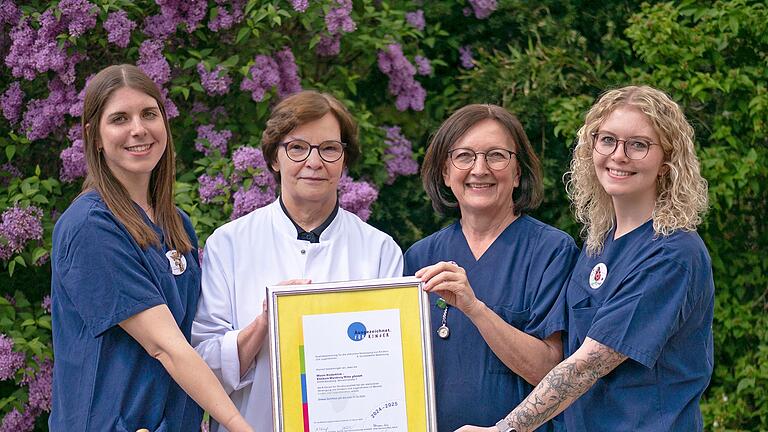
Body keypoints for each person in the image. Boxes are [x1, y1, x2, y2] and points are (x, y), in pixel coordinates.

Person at [459, 86, 714, 432]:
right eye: (607, 140)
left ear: (667, 162)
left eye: (638, 145)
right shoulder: (599, 242)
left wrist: (505, 429)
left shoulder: (671, 253)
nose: (618, 155)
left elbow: (586, 365)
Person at [49, 64, 253, 432]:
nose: (138, 129)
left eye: (149, 114)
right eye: (119, 119)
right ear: (95, 136)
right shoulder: (91, 227)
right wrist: (240, 425)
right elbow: (166, 346)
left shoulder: (176, 223)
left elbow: (195, 335)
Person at [192, 90, 404, 432]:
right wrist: (263, 323)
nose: (314, 162)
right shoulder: (228, 244)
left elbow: (392, 371)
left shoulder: (379, 251)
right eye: (297, 147)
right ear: (275, 158)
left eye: (329, 149)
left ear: (344, 159)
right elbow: (201, 367)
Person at [404, 104, 579, 431]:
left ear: (517, 173)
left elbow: (551, 372)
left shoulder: (550, 251)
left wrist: (474, 308)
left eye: (496, 156)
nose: (479, 169)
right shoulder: (418, 258)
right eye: (464, 156)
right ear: (445, 172)